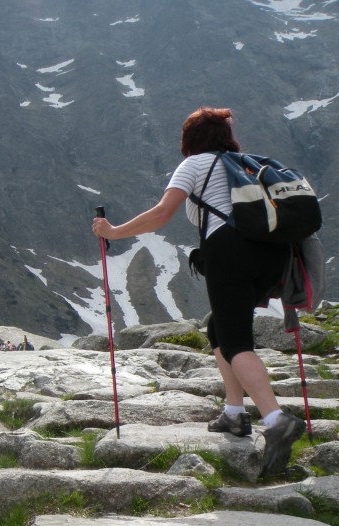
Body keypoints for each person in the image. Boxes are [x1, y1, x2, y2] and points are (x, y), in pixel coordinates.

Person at [90, 106, 304, 478]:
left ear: (189, 140)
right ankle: (235, 415)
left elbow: (162, 214)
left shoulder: (196, 164)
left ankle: (276, 419)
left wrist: (113, 232)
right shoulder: (245, 164)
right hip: (271, 255)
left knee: (236, 342)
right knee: (218, 330)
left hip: (230, 252)